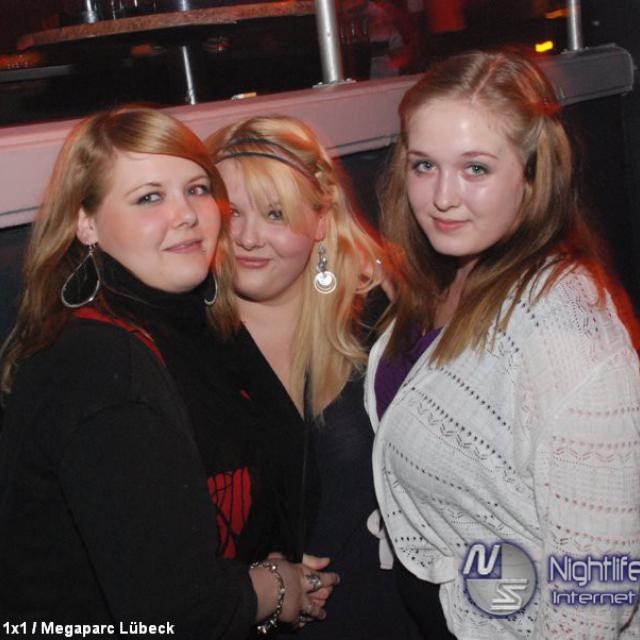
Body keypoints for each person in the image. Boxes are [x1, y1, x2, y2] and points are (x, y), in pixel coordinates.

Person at [0, 106, 338, 638]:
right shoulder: (100, 367)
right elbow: (172, 612)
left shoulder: (198, 325)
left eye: (197, 189)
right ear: (86, 222)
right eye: (149, 197)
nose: (186, 215)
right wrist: (276, 587)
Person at [367, 49, 640, 639]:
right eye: (423, 165)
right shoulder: (452, 273)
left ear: (533, 175)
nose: (442, 197)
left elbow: (599, 593)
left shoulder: (567, 332)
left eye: (476, 169)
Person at [205, 115, 422, 639]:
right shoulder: (191, 338)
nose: (247, 238)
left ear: (320, 219)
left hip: (383, 605)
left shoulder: (377, 314)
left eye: (275, 213)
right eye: (232, 214)